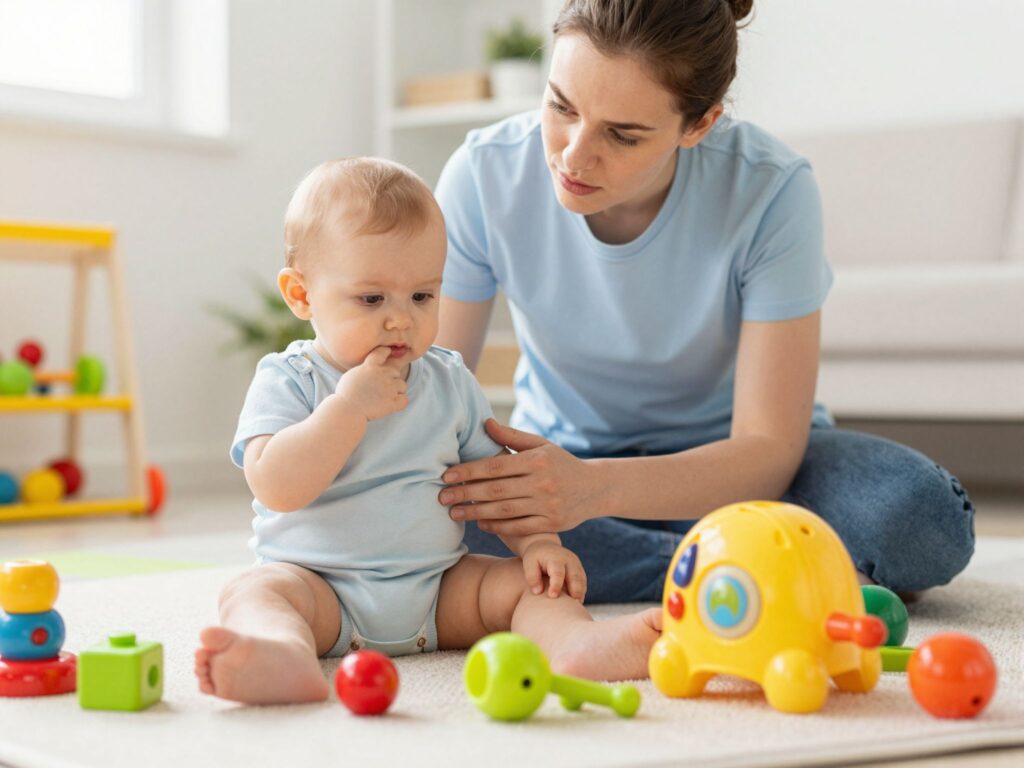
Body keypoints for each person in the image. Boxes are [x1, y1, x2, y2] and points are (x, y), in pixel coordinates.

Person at [434, 0, 975, 602]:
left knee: (920, 520)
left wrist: (597, 490)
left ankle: (685, 563)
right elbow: (433, 398)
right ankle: (740, 570)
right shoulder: (482, 176)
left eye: (622, 134)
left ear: (700, 125)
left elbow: (768, 449)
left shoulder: (772, 191)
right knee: (437, 518)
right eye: (561, 106)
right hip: (567, 461)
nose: (572, 155)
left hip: (739, 468)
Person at [194, 157, 659, 705]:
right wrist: (347, 409)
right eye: (372, 299)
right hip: (321, 588)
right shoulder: (289, 379)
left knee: (524, 585)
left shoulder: (448, 379)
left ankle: (576, 645)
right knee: (254, 593)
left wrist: (538, 544)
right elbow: (276, 486)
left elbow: (494, 484)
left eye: (422, 296)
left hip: (439, 589)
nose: (401, 320)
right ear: (301, 295)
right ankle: (281, 656)